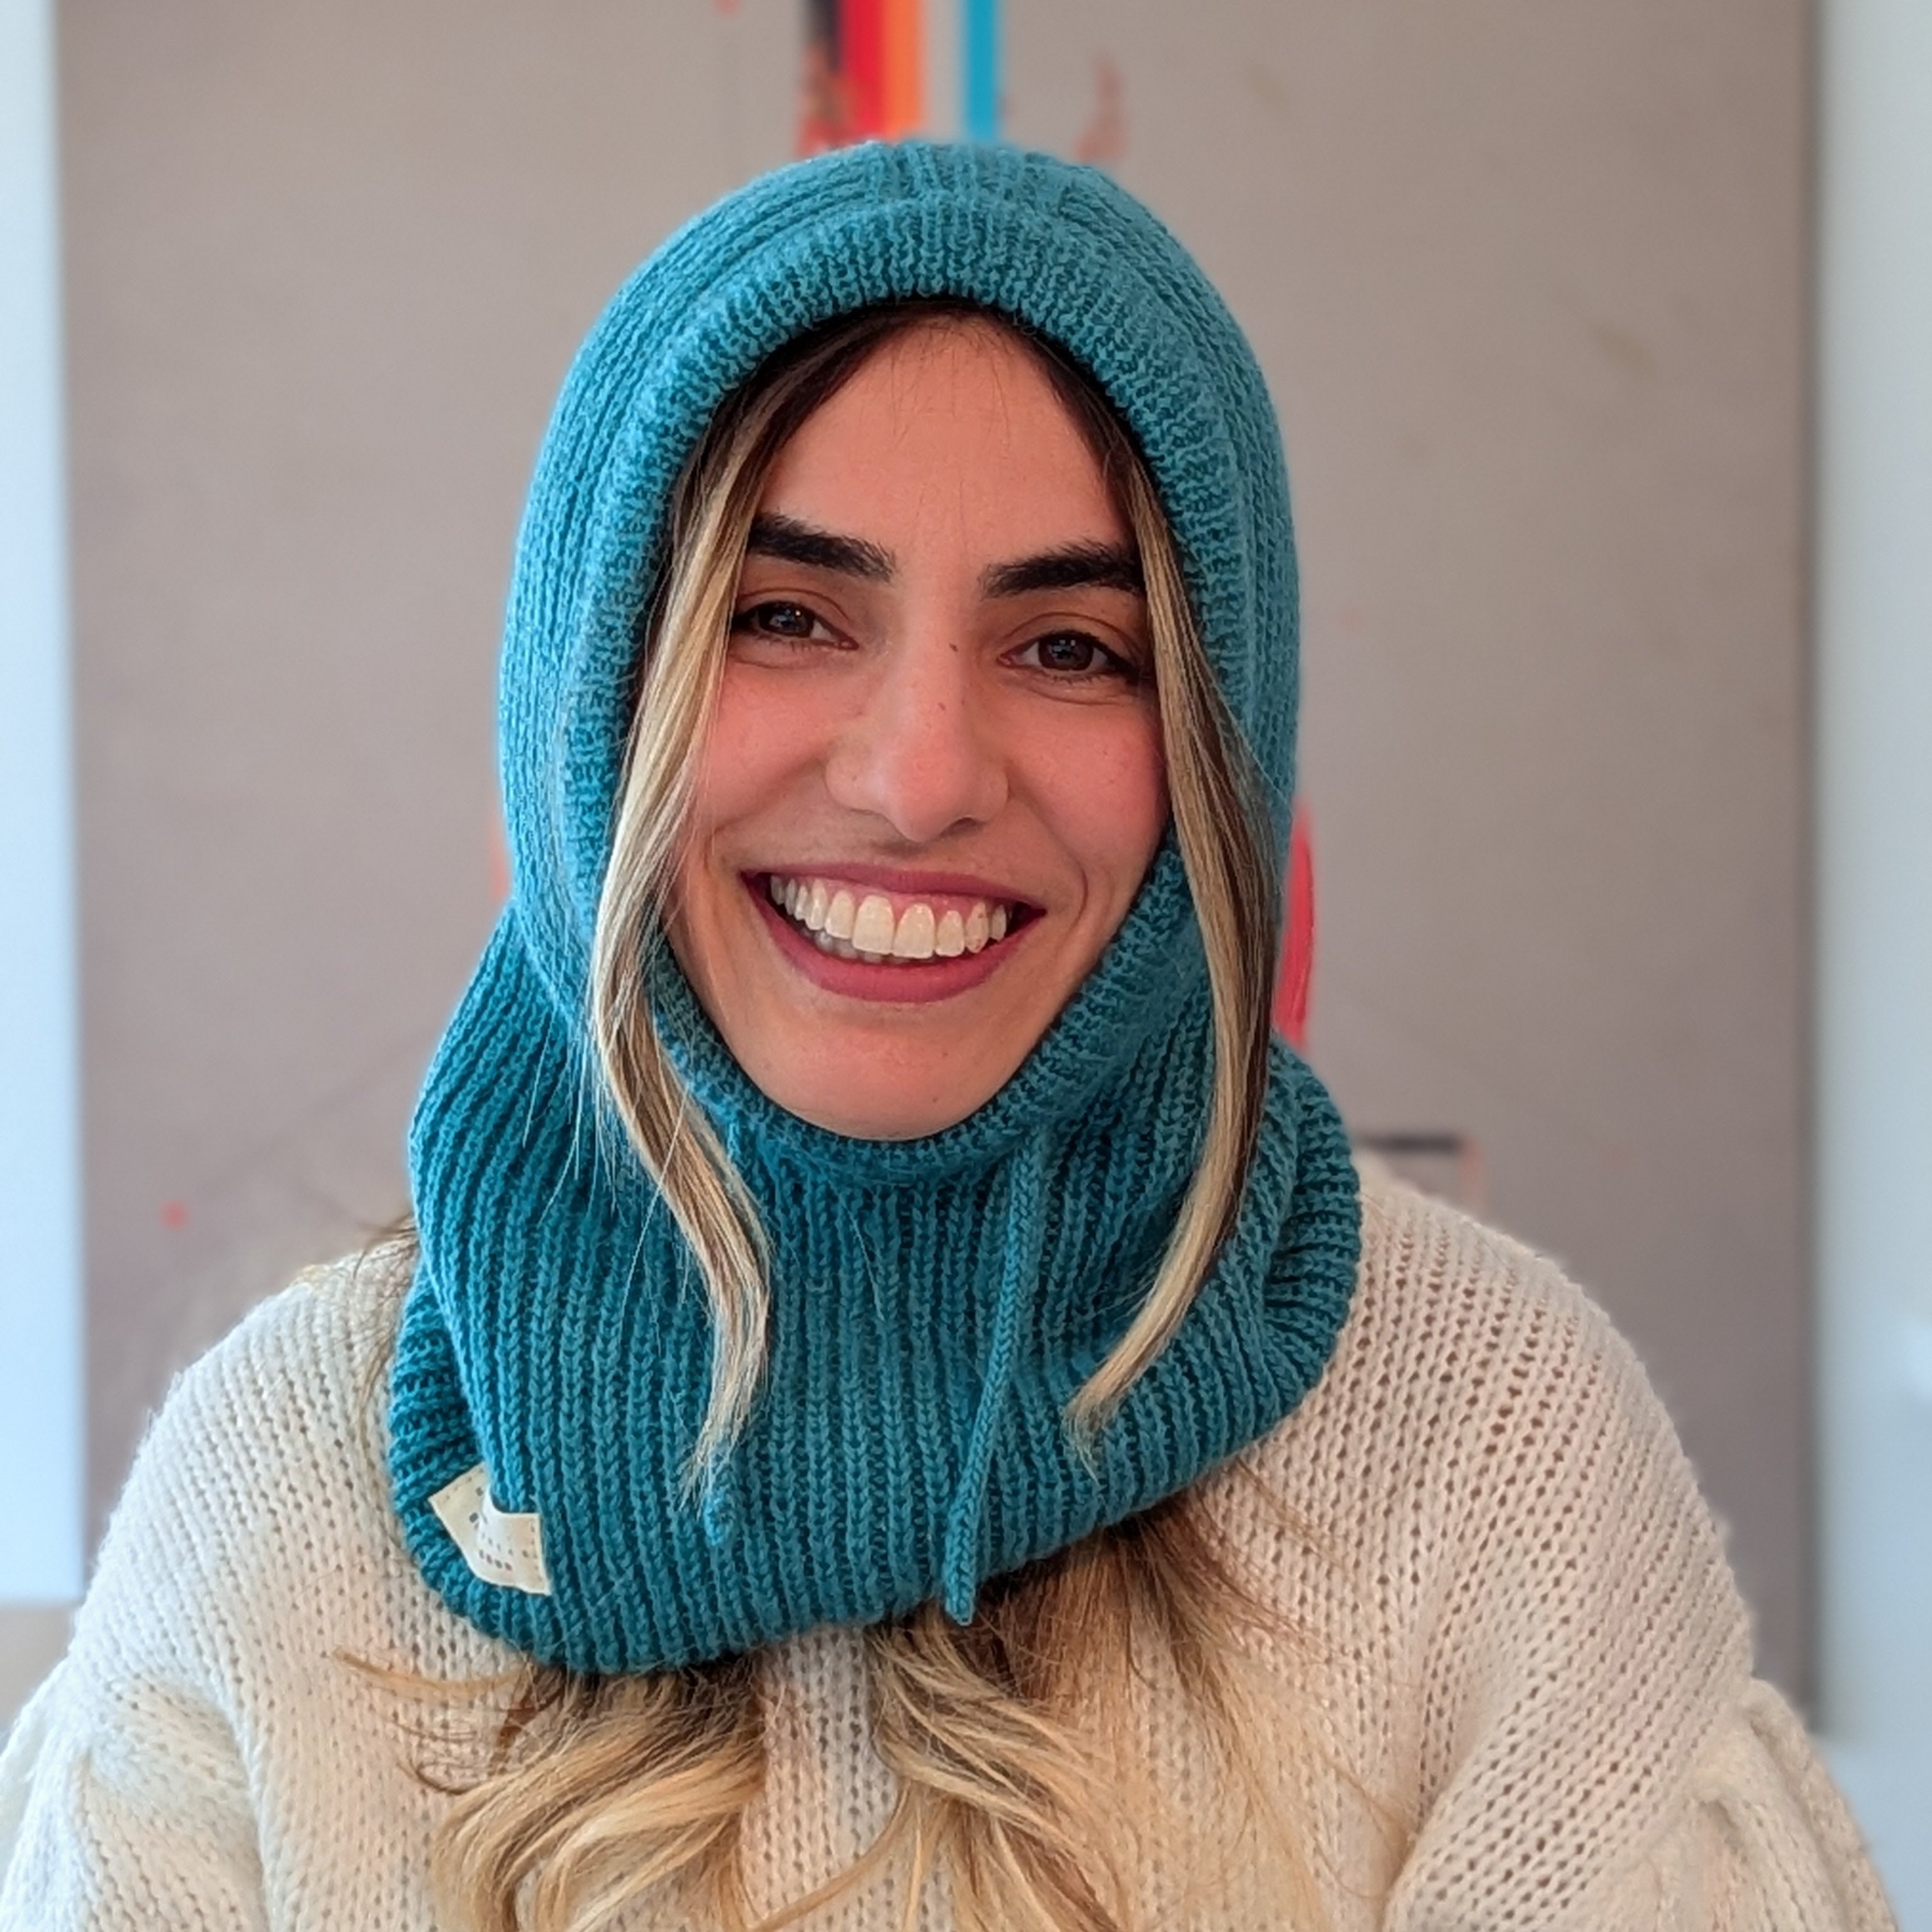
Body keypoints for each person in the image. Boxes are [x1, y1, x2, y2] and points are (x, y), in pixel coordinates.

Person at [0, 142, 1894, 1932]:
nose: (917, 781)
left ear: (1217, 763)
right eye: (783, 614)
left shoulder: (1491, 1447)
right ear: (587, 704)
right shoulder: (281, 1498)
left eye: (1071, 647)